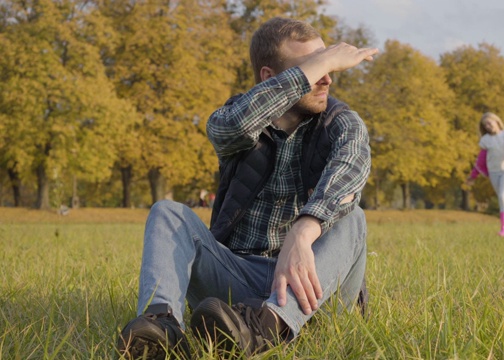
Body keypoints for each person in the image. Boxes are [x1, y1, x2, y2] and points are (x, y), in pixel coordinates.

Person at [116, 17, 378, 359]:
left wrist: (303, 231)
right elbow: (234, 125)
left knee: (351, 216)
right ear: (272, 79)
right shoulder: (235, 119)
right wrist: (319, 64)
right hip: (236, 281)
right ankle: (162, 328)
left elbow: (350, 172)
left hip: (316, 289)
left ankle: (270, 326)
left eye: (328, 64)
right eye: (314, 68)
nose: (326, 77)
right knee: (167, 212)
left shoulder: (343, 123)